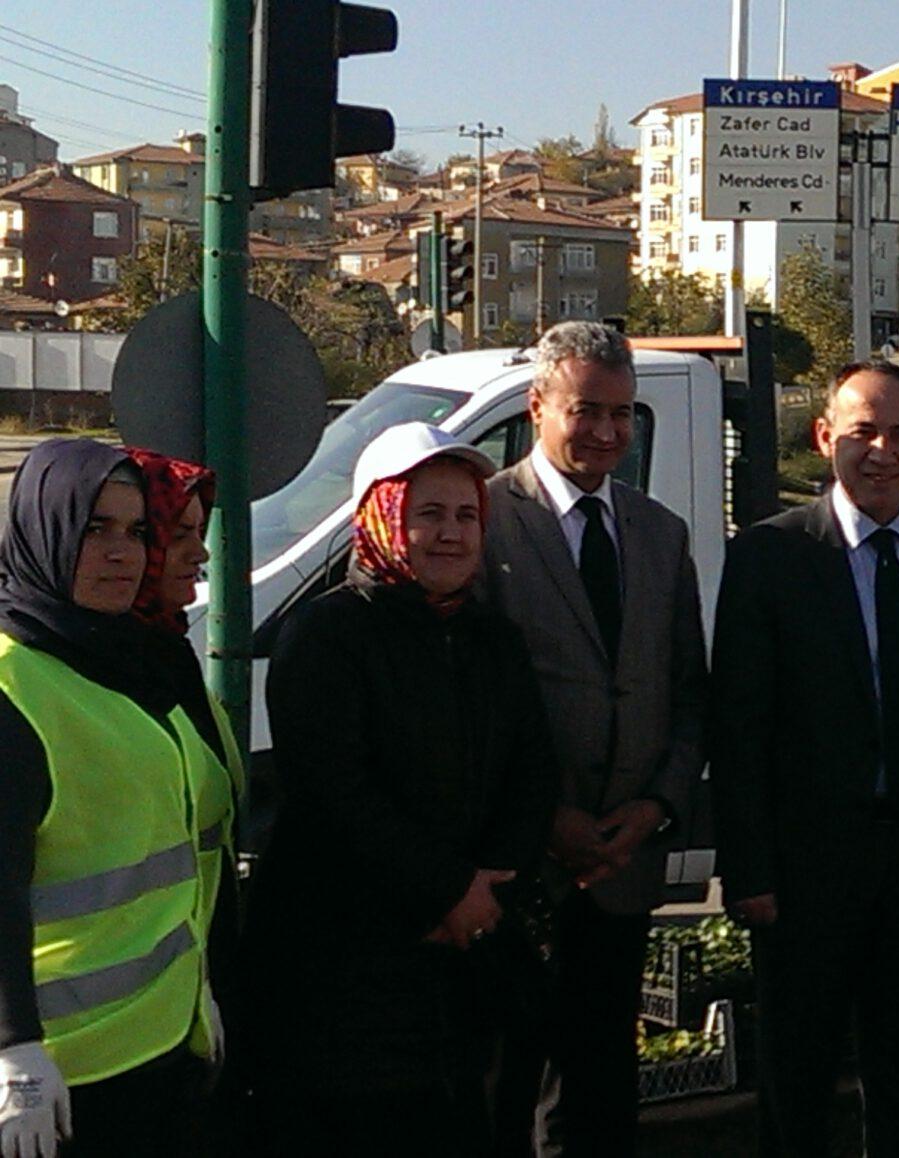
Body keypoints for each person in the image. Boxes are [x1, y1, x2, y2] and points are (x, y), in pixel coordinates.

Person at [243, 423, 556, 1156]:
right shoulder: (326, 637)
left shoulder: (491, 640)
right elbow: (336, 795)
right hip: (349, 980)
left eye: (466, 515)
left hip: (465, 966)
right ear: (382, 518)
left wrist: (485, 896)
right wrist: (446, 889)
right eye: (429, 514)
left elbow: (531, 773)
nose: (451, 535)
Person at [711, 361, 899, 1156]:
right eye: (863, 431)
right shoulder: (773, 554)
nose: (882, 451)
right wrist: (750, 870)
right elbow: (739, 720)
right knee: (797, 1078)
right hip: (808, 868)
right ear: (824, 436)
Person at [479, 320, 710, 1155]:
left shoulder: (659, 533)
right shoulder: (484, 522)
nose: (608, 433)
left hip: (625, 867)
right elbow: (476, 706)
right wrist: (548, 819)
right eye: (587, 412)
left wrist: (655, 807)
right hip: (521, 871)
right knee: (512, 1089)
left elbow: (688, 690)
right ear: (539, 406)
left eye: (623, 413)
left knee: (603, 1087)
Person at [0, 441, 220, 1158]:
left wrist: (197, 988)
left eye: (136, 531)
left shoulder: (130, 658)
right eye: (95, 529)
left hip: (157, 1050)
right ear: (45, 529)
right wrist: (13, 1049)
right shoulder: (13, 683)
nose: (121, 552)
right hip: (61, 1080)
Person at [123, 448, 247, 1145]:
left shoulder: (168, 650)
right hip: (129, 1027)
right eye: (181, 533)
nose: (201, 553)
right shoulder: (111, 664)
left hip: (194, 984)